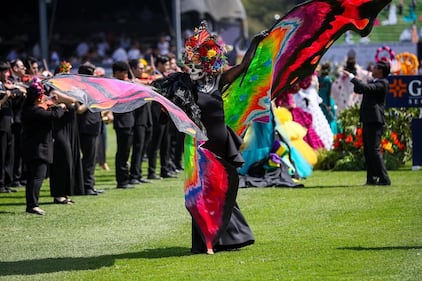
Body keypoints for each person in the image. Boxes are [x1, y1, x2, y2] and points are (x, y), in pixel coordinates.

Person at [156, 21, 265, 253]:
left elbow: (245, 66)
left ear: (208, 64)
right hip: (200, 144)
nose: (193, 67)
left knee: (224, 188)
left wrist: (255, 41)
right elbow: (168, 103)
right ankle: (208, 240)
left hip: (222, 142)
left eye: (198, 62)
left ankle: (232, 237)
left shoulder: (218, 80)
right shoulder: (184, 87)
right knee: (203, 193)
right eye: (191, 62)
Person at [21, 78, 66, 215]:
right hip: (38, 149)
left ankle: (31, 204)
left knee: (33, 178)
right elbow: (54, 116)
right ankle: (33, 205)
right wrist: (60, 107)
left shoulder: (29, 108)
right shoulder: (35, 111)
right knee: (37, 177)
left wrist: (51, 102)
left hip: (32, 147)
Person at [345, 60, 391, 186]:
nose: (373, 68)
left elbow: (365, 88)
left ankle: (384, 178)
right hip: (368, 119)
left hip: (375, 120)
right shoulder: (374, 82)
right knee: (368, 151)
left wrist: (352, 78)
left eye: (375, 67)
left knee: (374, 150)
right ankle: (371, 178)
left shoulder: (383, 83)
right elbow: (360, 90)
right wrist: (357, 80)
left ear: (381, 71)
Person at [76, 62, 105, 195]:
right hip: (87, 127)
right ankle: (86, 186)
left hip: (94, 125)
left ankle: (89, 185)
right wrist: (91, 99)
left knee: (91, 158)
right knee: (89, 158)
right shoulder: (81, 90)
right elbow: (79, 110)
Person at [112, 61, 136, 189]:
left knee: (126, 151)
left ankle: (124, 178)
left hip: (128, 121)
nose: (126, 75)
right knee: (122, 152)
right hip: (122, 122)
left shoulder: (124, 84)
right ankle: (122, 180)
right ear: (117, 73)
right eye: (124, 72)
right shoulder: (115, 85)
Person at [128, 59, 152, 184]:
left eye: (143, 68)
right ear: (132, 69)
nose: (142, 71)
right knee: (138, 147)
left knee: (143, 147)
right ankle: (134, 175)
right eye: (140, 68)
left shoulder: (140, 81)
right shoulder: (130, 83)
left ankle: (138, 173)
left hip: (146, 117)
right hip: (138, 119)